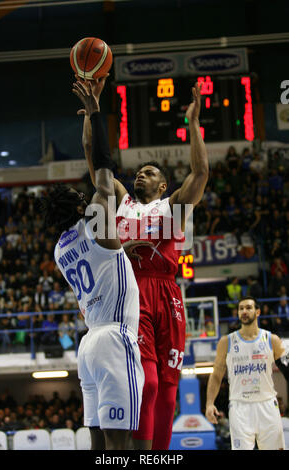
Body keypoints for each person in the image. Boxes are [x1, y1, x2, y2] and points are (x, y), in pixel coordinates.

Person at [80, 80, 208, 449]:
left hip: (167, 294)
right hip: (131, 294)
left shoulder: (172, 207)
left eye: (150, 172)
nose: (141, 174)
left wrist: (194, 123)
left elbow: (199, 174)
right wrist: (93, 112)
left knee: (169, 391)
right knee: (147, 382)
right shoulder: (121, 199)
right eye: (139, 171)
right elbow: (95, 156)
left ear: (164, 184)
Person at [37, 77, 144, 451]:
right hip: (115, 338)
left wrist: (89, 118)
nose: (86, 195)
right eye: (79, 195)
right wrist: (96, 114)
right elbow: (102, 166)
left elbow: (95, 171)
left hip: (89, 345)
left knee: (98, 441)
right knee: (120, 444)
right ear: (79, 206)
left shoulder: (60, 249)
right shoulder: (97, 223)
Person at [205, 296, 289, 450]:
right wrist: (210, 403)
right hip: (240, 407)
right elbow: (216, 376)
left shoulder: (272, 340)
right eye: (241, 308)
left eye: (248, 308)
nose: (244, 311)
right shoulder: (226, 342)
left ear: (257, 312)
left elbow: (287, 371)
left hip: (267, 405)